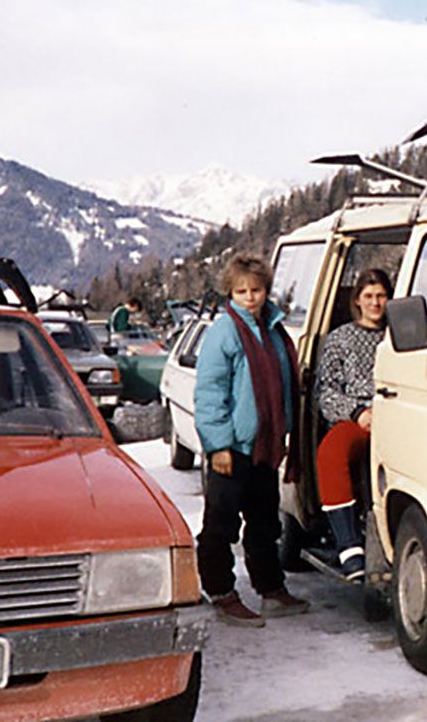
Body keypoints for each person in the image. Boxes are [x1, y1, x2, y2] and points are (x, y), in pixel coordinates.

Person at [194, 253, 309, 627]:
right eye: (242, 291)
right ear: (231, 292)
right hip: (233, 447)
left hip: (265, 445)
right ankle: (221, 591)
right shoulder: (224, 331)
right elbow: (210, 392)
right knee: (221, 524)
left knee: (264, 524)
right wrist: (219, 446)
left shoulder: (273, 328)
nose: (250, 297)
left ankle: (271, 589)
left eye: (256, 290)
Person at [314, 268, 392, 582]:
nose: (375, 303)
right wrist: (358, 412)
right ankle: (349, 546)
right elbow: (326, 392)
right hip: (360, 417)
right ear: (358, 300)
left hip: (401, 412)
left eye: (382, 296)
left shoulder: (401, 334)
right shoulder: (341, 338)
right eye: (369, 296)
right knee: (333, 450)